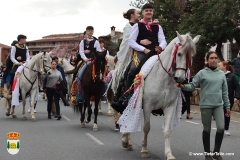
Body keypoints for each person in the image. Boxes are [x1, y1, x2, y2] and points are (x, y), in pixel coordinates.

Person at [176, 51, 230, 160]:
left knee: (220, 128)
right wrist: (183, 86)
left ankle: (216, 152)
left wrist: (227, 106)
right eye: (211, 58)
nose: (214, 60)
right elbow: (192, 85)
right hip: (206, 105)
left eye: (215, 58)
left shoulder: (221, 74)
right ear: (207, 60)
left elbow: (225, 91)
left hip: (218, 105)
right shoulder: (202, 73)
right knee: (207, 129)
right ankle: (207, 154)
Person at [126, 3, 167, 89]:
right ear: (143, 13)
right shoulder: (137, 25)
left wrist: (160, 47)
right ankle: (126, 93)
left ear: (153, 12)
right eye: (146, 10)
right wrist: (143, 49)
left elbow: (163, 40)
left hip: (156, 52)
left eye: (150, 10)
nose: (149, 12)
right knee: (133, 69)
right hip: (142, 52)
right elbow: (131, 41)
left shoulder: (158, 26)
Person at [111, 8, 140, 93]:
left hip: (140, 50)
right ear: (132, 15)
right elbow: (130, 41)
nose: (139, 15)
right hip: (130, 54)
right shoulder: (128, 27)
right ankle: (121, 90)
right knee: (126, 72)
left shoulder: (140, 25)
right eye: (138, 13)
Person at [218, 61, 240, 136]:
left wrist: (236, 97)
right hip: (219, 98)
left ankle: (226, 129)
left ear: (224, 66)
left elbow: (237, 87)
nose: (218, 66)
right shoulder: (218, 75)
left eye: (220, 65)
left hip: (229, 98)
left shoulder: (232, 76)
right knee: (219, 113)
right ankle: (220, 127)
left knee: (226, 113)